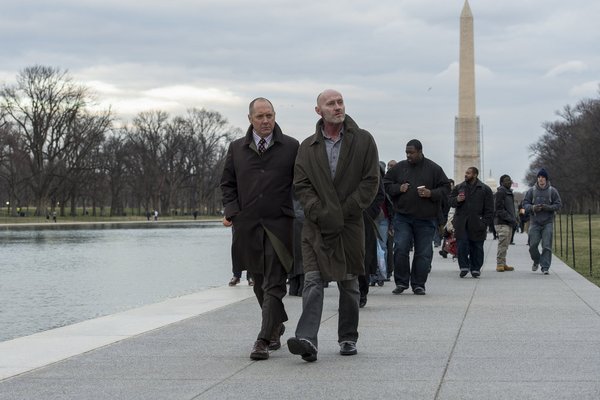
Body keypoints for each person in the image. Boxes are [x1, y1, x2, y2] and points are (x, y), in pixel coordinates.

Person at [287, 89, 379, 362]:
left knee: (349, 284)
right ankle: (307, 339)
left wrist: (345, 210)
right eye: (331, 104)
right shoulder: (308, 146)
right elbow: (301, 185)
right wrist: (318, 211)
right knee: (312, 281)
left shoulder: (363, 140)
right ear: (319, 111)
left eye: (340, 102)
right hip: (316, 225)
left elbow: (370, 182)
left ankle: (348, 336)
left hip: (349, 225)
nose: (337, 107)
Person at [220, 97, 299, 360]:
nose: (266, 121)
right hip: (248, 226)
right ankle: (276, 323)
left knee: (275, 282)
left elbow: (301, 183)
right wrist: (233, 211)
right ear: (250, 119)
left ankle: (263, 339)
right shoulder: (236, 148)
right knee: (259, 282)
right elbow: (227, 184)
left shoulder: (291, 146)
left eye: (270, 116)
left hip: (280, 224)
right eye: (260, 117)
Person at [383, 139, 449, 295]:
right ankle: (401, 282)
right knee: (400, 248)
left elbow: (446, 188)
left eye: (411, 152)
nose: (408, 155)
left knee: (424, 252)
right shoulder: (400, 167)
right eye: (406, 152)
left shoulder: (434, 169)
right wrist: (398, 188)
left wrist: (431, 193)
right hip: (403, 217)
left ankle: (419, 284)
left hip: (426, 219)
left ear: (420, 152)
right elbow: (385, 183)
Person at [449, 167, 494, 278]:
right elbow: (450, 201)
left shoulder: (485, 189)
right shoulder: (459, 187)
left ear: (475, 175)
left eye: (468, 173)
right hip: (462, 223)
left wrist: (484, 222)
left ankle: (475, 268)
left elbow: (489, 209)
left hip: (478, 223)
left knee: (477, 246)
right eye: (466, 172)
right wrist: (457, 200)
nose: (466, 175)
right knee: (462, 245)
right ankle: (464, 266)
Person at [522, 168, 562, 275]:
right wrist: (533, 208)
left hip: (547, 222)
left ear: (546, 179)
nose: (541, 179)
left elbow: (558, 205)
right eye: (539, 177)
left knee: (547, 246)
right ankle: (536, 260)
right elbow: (525, 204)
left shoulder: (552, 191)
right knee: (532, 245)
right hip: (534, 222)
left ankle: (545, 267)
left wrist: (547, 207)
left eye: (543, 177)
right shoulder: (531, 191)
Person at [494, 175, 517, 272]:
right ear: (502, 182)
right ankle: (499, 264)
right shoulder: (501, 192)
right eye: (507, 180)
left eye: (510, 180)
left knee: (506, 244)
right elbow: (499, 209)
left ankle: (503, 263)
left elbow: (510, 209)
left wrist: (514, 219)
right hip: (502, 222)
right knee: (502, 244)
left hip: (509, 222)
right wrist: (510, 218)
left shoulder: (509, 193)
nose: (509, 182)